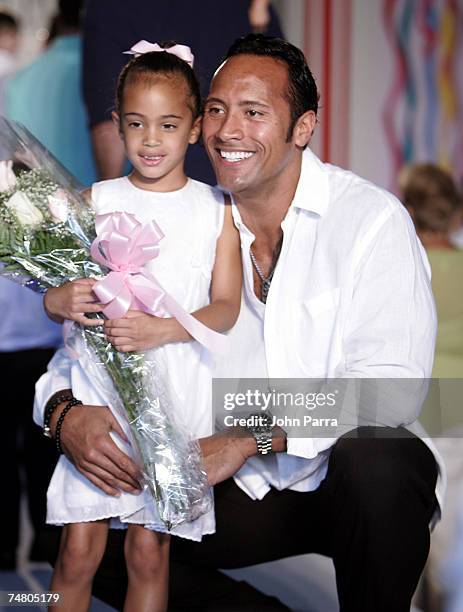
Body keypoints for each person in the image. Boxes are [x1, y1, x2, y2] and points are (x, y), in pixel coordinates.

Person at [35, 35, 443, 611]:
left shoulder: (369, 221)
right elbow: (90, 341)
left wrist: (247, 436)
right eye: (218, 110)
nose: (229, 131)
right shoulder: (179, 218)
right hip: (232, 477)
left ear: (303, 127)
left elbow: (393, 390)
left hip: (332, 473)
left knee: (381, 463)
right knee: (90, 543)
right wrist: (63, 414)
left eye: (254, 113)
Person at [39, 42, 241, 611]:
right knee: (78, 551)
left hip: (171, 399)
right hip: (100, 398)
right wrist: (61, 298)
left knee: (149, 555)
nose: (152, 140)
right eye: (136, 124)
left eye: (169, 125)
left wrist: (163, 330)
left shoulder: (215, 209)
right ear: (117, 125)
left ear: (197, 128)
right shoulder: (92, 200)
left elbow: (225, 307)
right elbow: (52, 301)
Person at [82, 0, 282, 184]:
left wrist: (109, 192)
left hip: (174, 179)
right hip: (242, 176)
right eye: (135, 123)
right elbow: (277, 97)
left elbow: (104, 122)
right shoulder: (252, 8)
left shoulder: (111, 6)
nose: (151, 139)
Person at [399, 163, 463, 611]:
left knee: (403, 516)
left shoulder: (405, 268)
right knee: (447, 521)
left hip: (409, 403)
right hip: (457, 405)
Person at [5, 0, 96, 187]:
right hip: (101, 199)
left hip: (43, 203)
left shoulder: (20, 79)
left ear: (57, 20)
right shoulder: (104, 74)